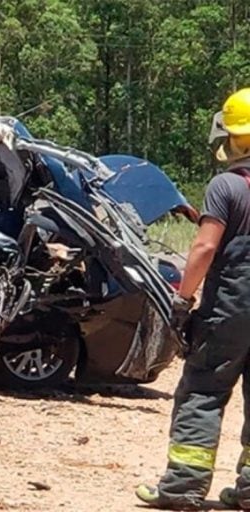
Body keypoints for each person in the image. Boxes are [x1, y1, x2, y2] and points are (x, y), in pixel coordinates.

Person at [136, 88, 250, 509]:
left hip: (232, 309)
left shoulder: (227, 185)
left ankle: (182, 488)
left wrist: (183, 298)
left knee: (203, 390)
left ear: (235, 138)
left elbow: (203, 249)